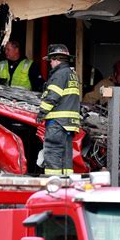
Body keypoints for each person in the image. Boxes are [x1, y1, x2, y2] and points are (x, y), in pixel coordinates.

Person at [36, 44, 80, 176]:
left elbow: (52, 97)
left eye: (51, 60)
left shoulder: (59, 75)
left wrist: (41, 113)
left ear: (56, 59)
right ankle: (66, 183)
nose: (50, 63)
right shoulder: (72, 74)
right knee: (66, 156)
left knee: (53, 152)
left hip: (57, 123)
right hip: (68, 124)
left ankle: (53, 182)